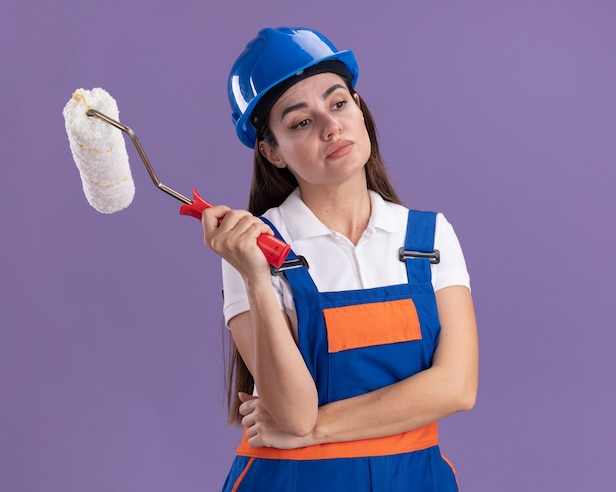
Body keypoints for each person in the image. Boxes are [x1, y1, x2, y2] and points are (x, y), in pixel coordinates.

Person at [201, 27, 478, 492]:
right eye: (301, 122)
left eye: (338, 103)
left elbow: (456, 388)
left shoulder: (428, 238)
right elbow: (291, 411)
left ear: (359, 107)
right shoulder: (253, 249)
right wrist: (253, 276)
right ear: (272, 152)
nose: (332, 127)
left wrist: (316, 430)